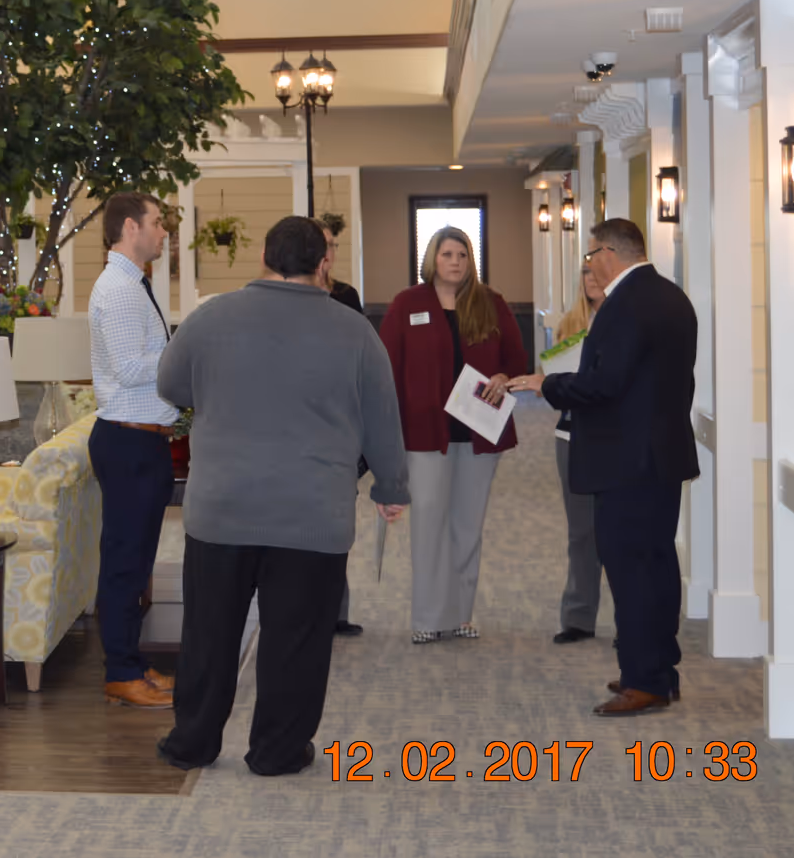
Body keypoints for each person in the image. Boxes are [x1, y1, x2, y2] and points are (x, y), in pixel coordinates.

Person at [154, 216, 409, 776]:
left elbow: (169, 385)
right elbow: (382, 419)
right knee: (296, 640)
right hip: (312, 514)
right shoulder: (354, 331)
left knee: (209, 634)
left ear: (265, 258)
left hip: (221, 510)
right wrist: (391, 487)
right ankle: (277, 750)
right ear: (324, 264)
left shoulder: (210, 318)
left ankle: (193, 743)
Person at [510, 219, 698, 715]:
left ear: (609, 252)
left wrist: (545, 385)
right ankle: (660, 669)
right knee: (657, 563)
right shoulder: (672, 297)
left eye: (590, 254)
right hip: (662, 455)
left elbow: (603, 385)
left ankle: (645, 680)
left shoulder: (624, 305)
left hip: (625, 461)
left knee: (631, 570)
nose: (589, 263)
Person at [378, 226, 527, 645]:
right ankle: (428, 616)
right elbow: (387, 366)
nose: (456, 261)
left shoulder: (491, 303)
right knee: (428, 524)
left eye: (462, 254)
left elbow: (516, 362)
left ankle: (461, 614)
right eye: (447, 254)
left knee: (467, 525)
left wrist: (503, 376)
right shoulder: (408, 304)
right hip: (425, 434)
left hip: (479, 431)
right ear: (432, 259)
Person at [86, 191, 177, 710]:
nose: (163, 231)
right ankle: (120, 671)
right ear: (130, 227)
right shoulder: (119, 290)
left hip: (141, 438)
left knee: (137, 560)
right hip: (127, 440)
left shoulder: (130, 283)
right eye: (157, 222)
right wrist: (179, 351)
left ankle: (133, 662)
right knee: (124, 563)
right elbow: (128, 367)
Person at [313, 213, 369, 637]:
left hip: (338, 427)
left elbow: (362, 362)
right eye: (322, 244)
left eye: (333, 245)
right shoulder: (282, 297)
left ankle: (335, 612)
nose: (329, 253)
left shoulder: (346, 296)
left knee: (336, 524)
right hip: (297, 428)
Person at [548, 265, 607, 645]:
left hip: (613, 438)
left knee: (617, 532)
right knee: (581, 532)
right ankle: (578, 617)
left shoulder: (625, 321)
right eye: (584, 273)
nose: (591, 278)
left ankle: (630, 622)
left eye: (597, 272)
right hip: (571, 435)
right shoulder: (569, 323)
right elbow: (553, 376)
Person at [316, 213, 364, 315]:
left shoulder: (347, 294)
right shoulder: (295, 294)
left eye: (331, 245)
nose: (327, 251)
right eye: (322, 244)